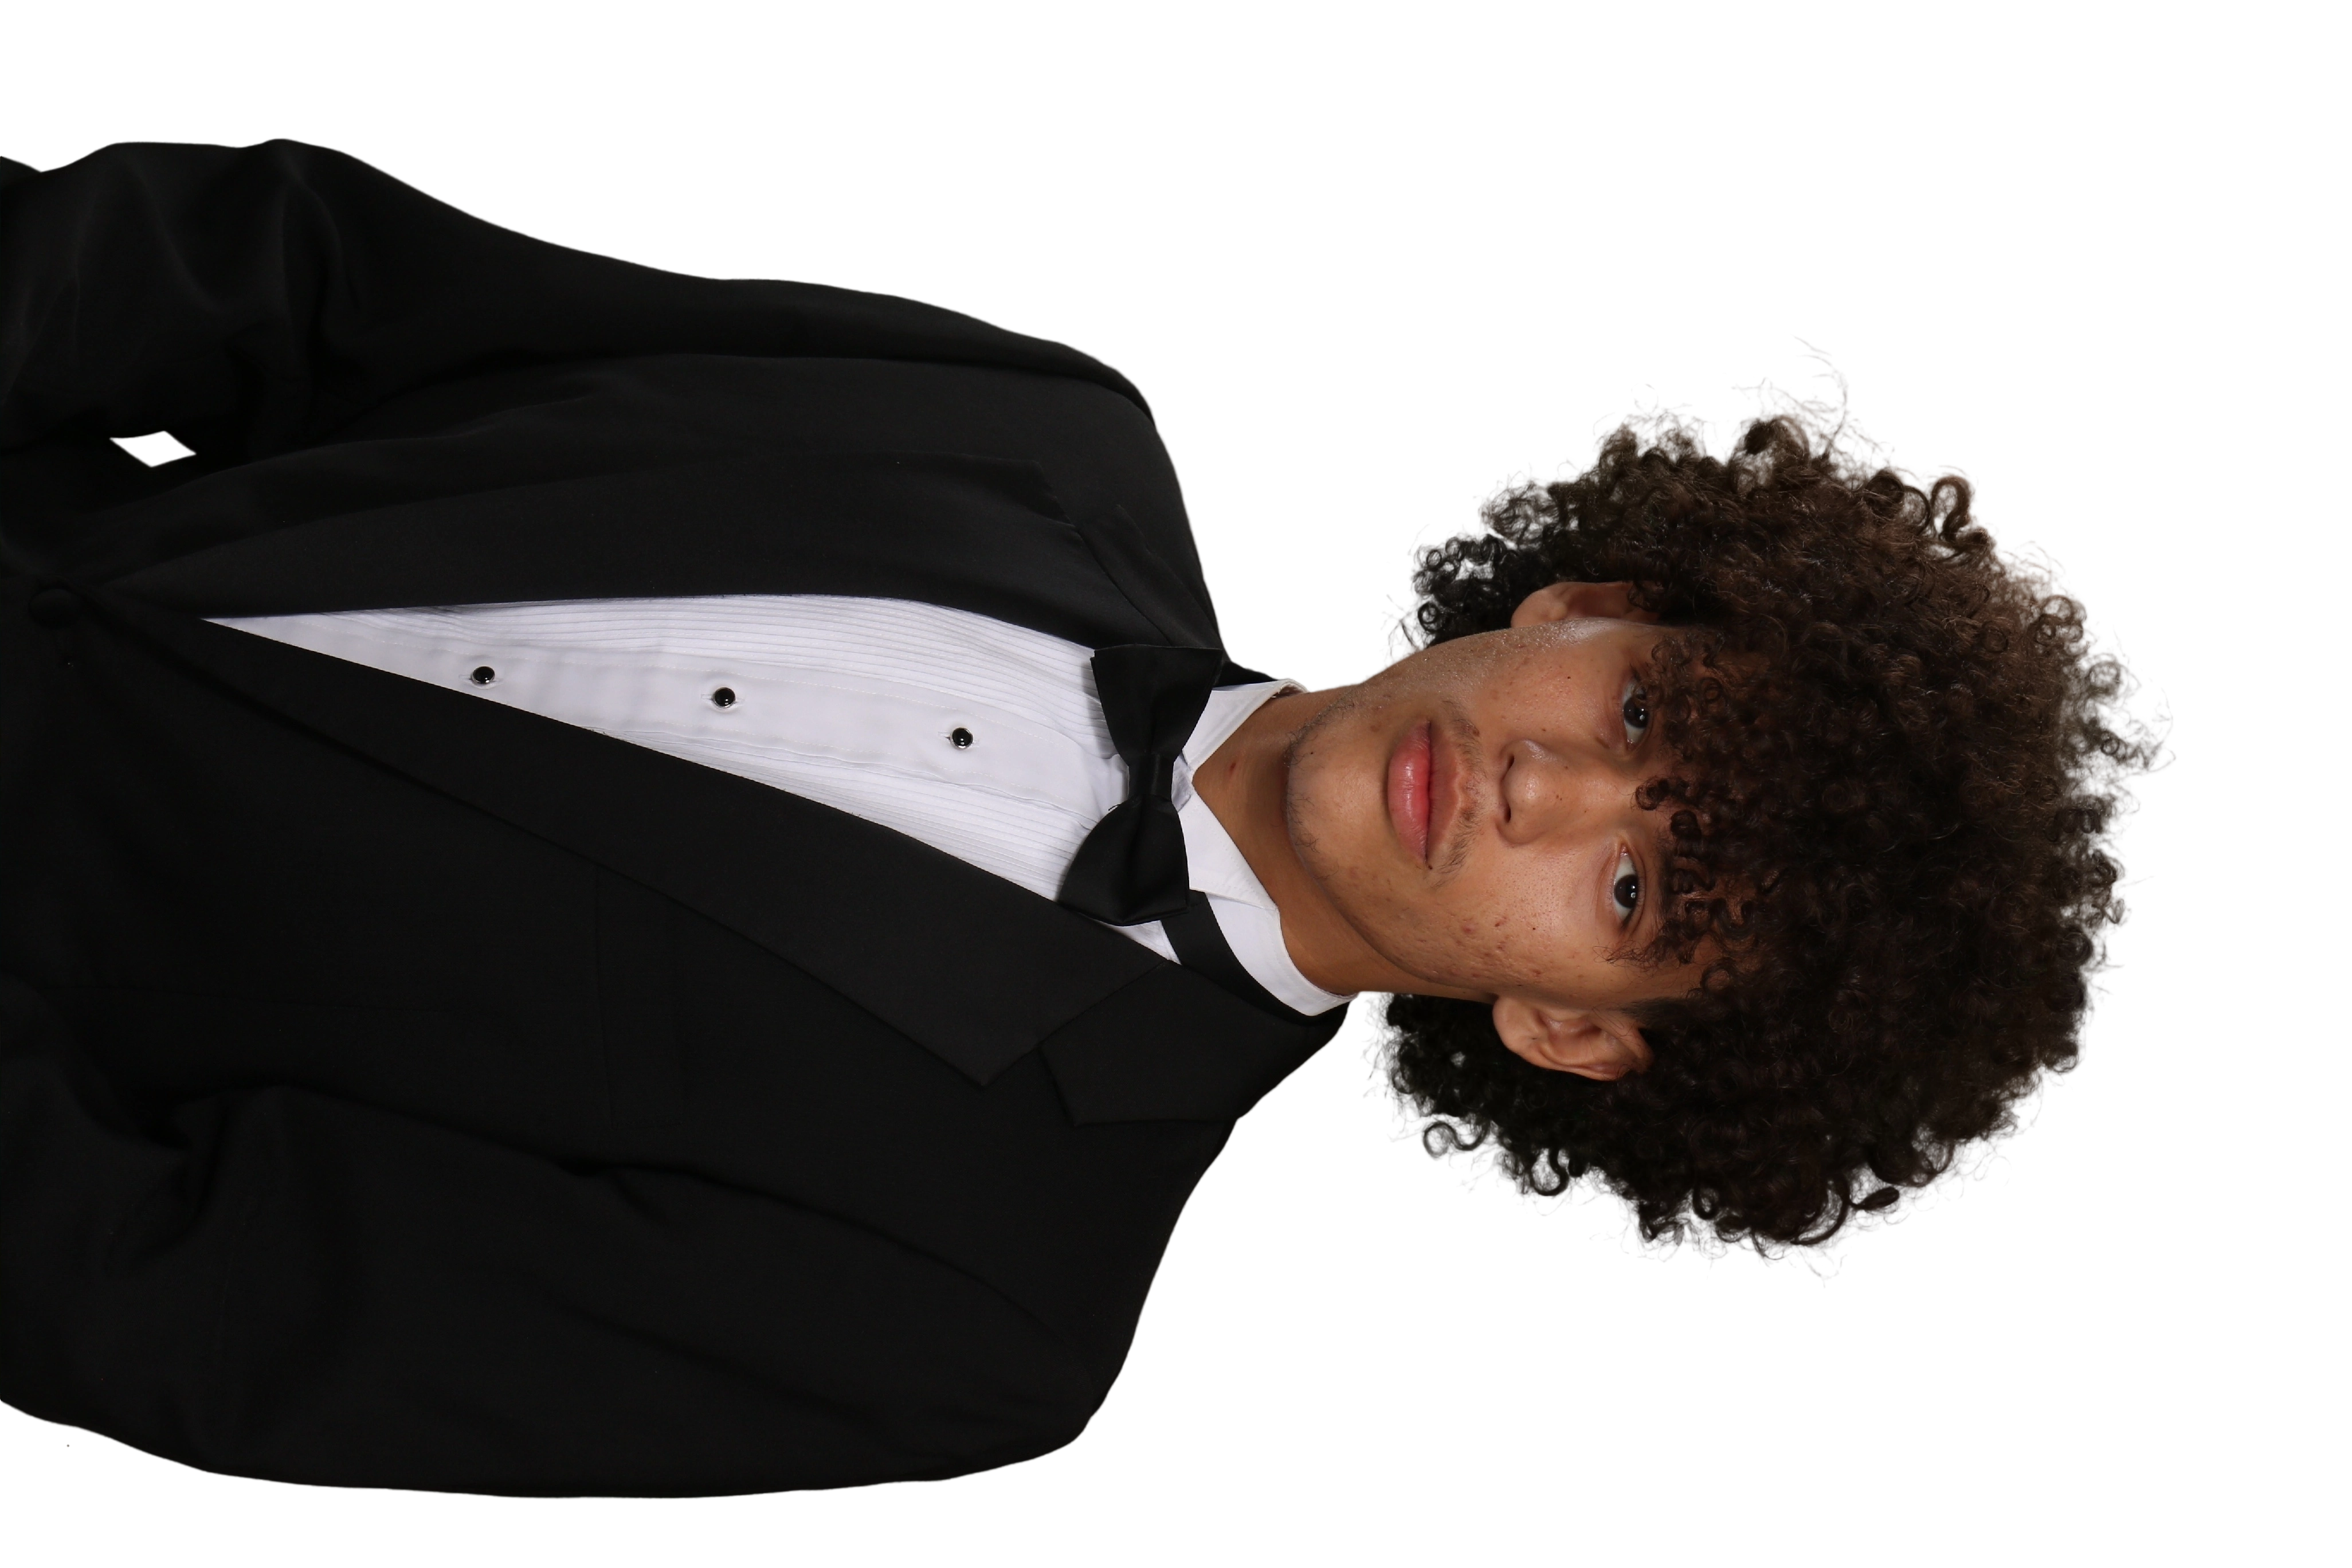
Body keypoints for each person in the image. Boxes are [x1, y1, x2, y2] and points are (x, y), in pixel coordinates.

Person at [0, 137, 2173, 1500]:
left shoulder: (973, 1315)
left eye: (1632, 882)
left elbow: (169, 1298)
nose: (1544, 782)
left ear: (1579, 1031)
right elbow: (307, 281)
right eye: (1637, 713)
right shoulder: (1048, 423)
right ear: (1585, 607)